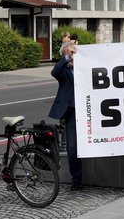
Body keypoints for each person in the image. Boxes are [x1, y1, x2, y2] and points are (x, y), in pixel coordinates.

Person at [48, 42, 82, 191]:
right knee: (72, 147)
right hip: (72, 112)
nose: (74, 55)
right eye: (70, 54)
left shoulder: (84, 68)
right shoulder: (62, 71)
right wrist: (67, 58)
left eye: (75, 53)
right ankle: (77, 180)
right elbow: (54, 72)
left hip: (87, 110)